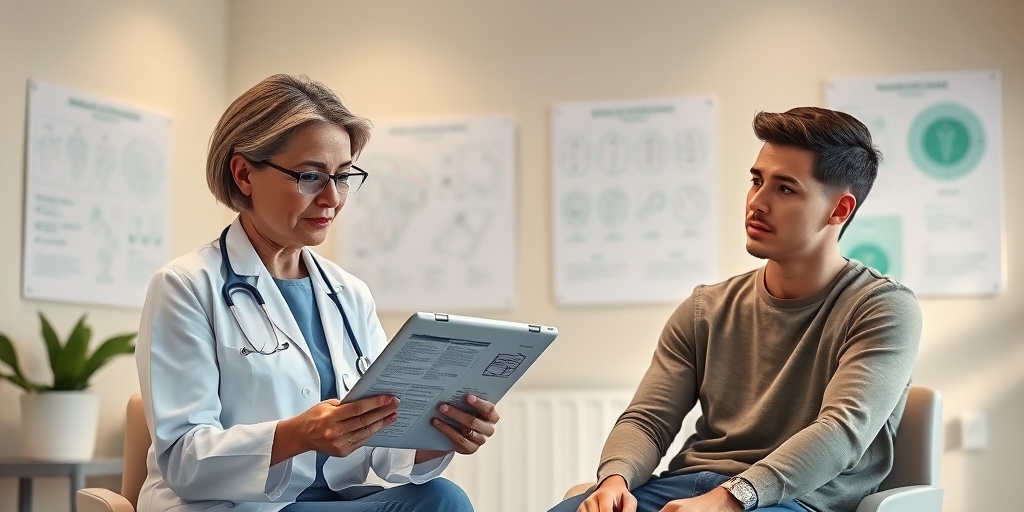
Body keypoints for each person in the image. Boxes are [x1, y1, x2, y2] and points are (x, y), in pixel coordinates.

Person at [135, 74, 496, 512]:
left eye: (343, 177)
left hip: (336, 501)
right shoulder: (186, 286)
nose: (332, 198)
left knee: (441, 496)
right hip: (234, 505)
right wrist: (296, 435)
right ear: (244, 173)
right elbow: (184, 461)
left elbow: (383, 448)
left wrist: (440, 437)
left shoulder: (349, 293)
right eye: (310, 176)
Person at [549, 107, 922, 512]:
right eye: (757, 181)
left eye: (785, 189)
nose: (757, 202)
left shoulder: (883, 308)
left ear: (839, 210)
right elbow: (647, 419)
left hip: (794, 500)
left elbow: (842, 432)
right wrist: (615, 479)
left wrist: (730, 498)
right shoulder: (704, 309)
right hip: (685, 488)